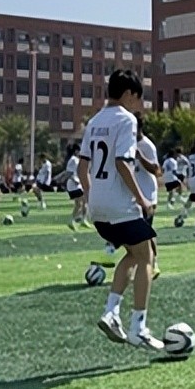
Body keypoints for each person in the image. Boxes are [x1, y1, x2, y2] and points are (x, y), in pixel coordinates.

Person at [79, 69, 162, 350]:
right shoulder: (126, 120)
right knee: (147, 255)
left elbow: (81, 167)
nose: (137, 105)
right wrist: (141, 199)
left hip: (98, 208)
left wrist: (92, 197)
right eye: (137, 98)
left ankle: (112, 312)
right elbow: (121, 163)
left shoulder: (94, 121)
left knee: (133, 253)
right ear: (128, 94)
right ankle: (139, 326)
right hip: (119, 205)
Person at [134, 114, 162, 278]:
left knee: (144, 231)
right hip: (134, 195)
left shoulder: (147, 146)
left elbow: (157, 170)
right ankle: (151, 263)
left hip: (148, 194)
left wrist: (140, 157)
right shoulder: (128, 143)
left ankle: (153, 264)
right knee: (143, 232)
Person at [56, 144, 89, 230]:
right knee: (80, 203)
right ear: (76, 151)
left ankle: (82, 219)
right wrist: (62, 179)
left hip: (77, 184)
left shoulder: (76, 160)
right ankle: (73, 220)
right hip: (74, 184)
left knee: (84, 202)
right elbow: (69, 172)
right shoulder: (73, 160)